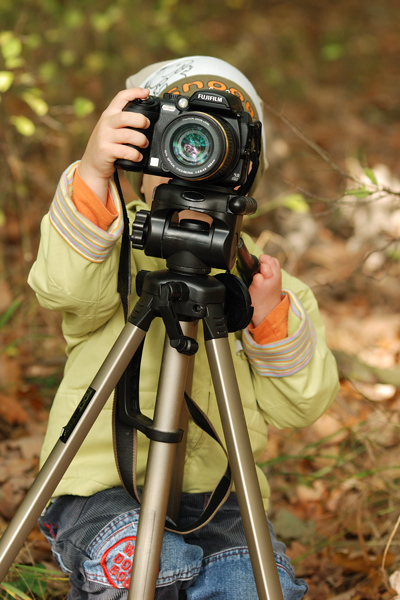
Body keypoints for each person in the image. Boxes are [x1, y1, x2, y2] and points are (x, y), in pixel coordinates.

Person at [29, 56, 339, 599]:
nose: (191, 162)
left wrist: (268, 320)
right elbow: (62, 287)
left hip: (219, 499)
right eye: (176, 140)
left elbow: (300, 406)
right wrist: (93, 175)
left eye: (212, 145)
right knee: (146, 564)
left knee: (250, 584)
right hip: (97, 487)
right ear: (138, 157)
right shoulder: (110, 243)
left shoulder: (260, 280)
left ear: (245, 165)